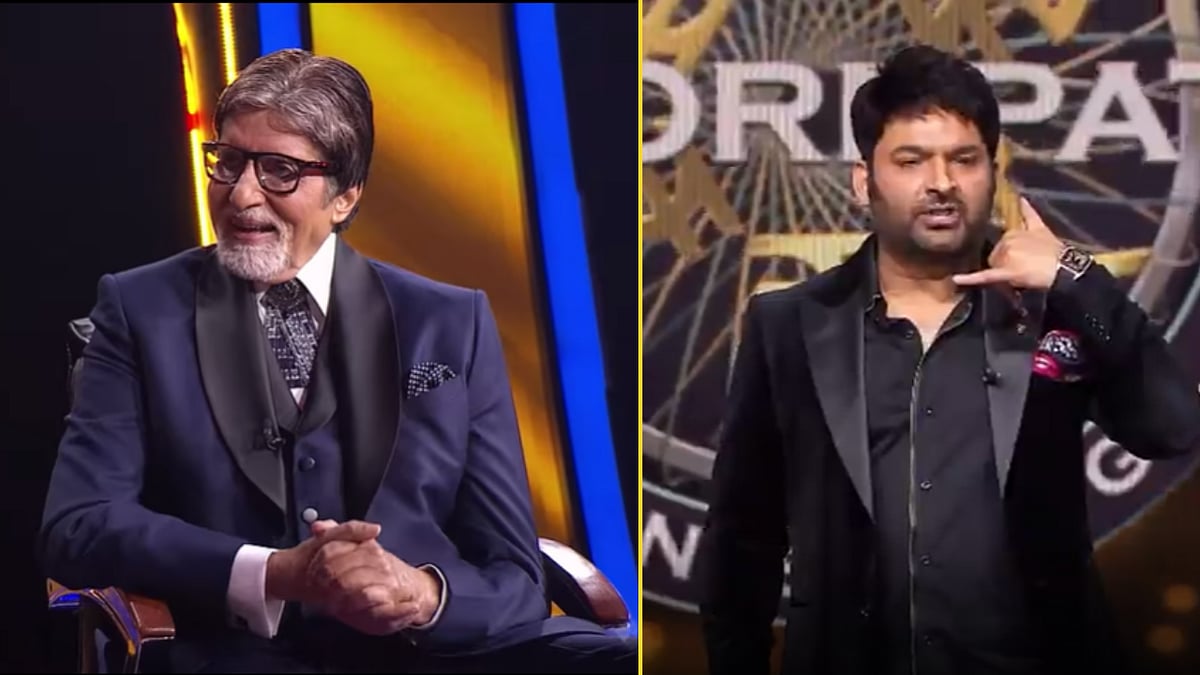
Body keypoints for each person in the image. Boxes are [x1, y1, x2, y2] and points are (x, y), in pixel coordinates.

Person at [39, 48, 634, 674]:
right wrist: (271, 572)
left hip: (428, 653)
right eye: (229, 161)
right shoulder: (140, 309)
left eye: (279, 170)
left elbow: (514, 574)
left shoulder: (449, 321)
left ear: (345, 197)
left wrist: (421, 594)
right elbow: (78, 526)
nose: (241, 194)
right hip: (236, 654)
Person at [697, 44, 1200, 675]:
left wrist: (1078, 277)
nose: (941, 182)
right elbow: (742, 535)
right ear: (864, 181)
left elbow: (1172, 428)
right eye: (911, 161)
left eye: (964, 159)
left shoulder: (1055, 310)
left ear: (993, 171)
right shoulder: (788, 325)